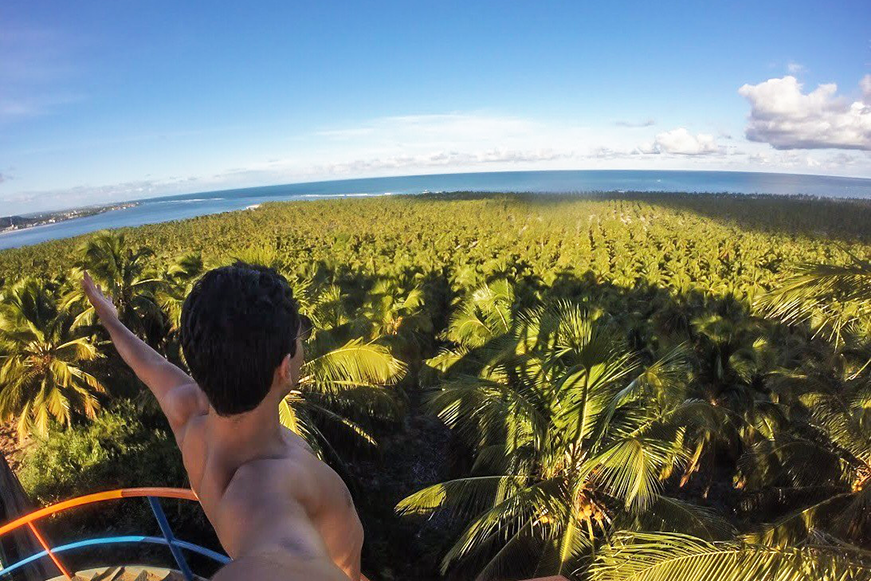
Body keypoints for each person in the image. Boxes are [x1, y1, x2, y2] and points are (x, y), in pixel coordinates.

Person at [82, 263, 363, 581]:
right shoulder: (267, 489)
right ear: (284, 368)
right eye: (298, 339)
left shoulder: (189, 415)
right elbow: (286, 556)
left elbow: (148, 362)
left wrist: (110, 318)